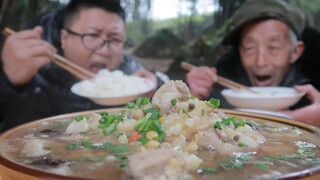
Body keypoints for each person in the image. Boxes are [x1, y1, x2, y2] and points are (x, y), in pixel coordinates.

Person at [0, 0, 168, 132]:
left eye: (115, 39)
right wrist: (7, 80)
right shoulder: (32, 65)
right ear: (64, 38)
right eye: (93, 35)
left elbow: (164, 84)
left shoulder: (127, 72)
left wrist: (157, 87)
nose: (105, 50)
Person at [186, 0, 320, 122]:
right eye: (250, 48)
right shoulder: (226, 70)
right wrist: (192, 97)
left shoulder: (314, 66)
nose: (260, 62)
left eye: (273, 47)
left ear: (295, 52)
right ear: (240, 50)